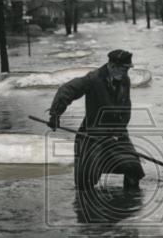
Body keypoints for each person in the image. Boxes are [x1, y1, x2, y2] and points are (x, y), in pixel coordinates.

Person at [47, 49, 144, 190]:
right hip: (92, 134)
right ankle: (85, 207)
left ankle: (128, 203)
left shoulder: (124, 80)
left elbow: (126, 107)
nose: (126, 73)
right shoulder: (93, 79)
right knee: (86, 179)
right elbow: (67, 90)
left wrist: (119, 131)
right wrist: (55, 114)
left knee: (133, 168)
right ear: (112, 66)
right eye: (123, 69)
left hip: (118, 133)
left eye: (127, 69)